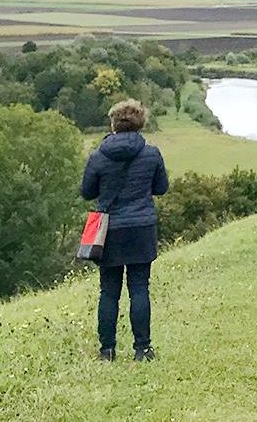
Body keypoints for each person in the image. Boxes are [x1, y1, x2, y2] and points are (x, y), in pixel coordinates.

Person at [80, 98, 170, 362]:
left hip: (109, 231)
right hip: (141, 227)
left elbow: (86, 192)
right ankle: (142, 349)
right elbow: (161, 188)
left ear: (113, 123)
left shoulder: (98, 156)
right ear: (140, 124)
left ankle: (107, 350)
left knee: (108, 291)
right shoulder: (151, 153)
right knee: (139, 287)